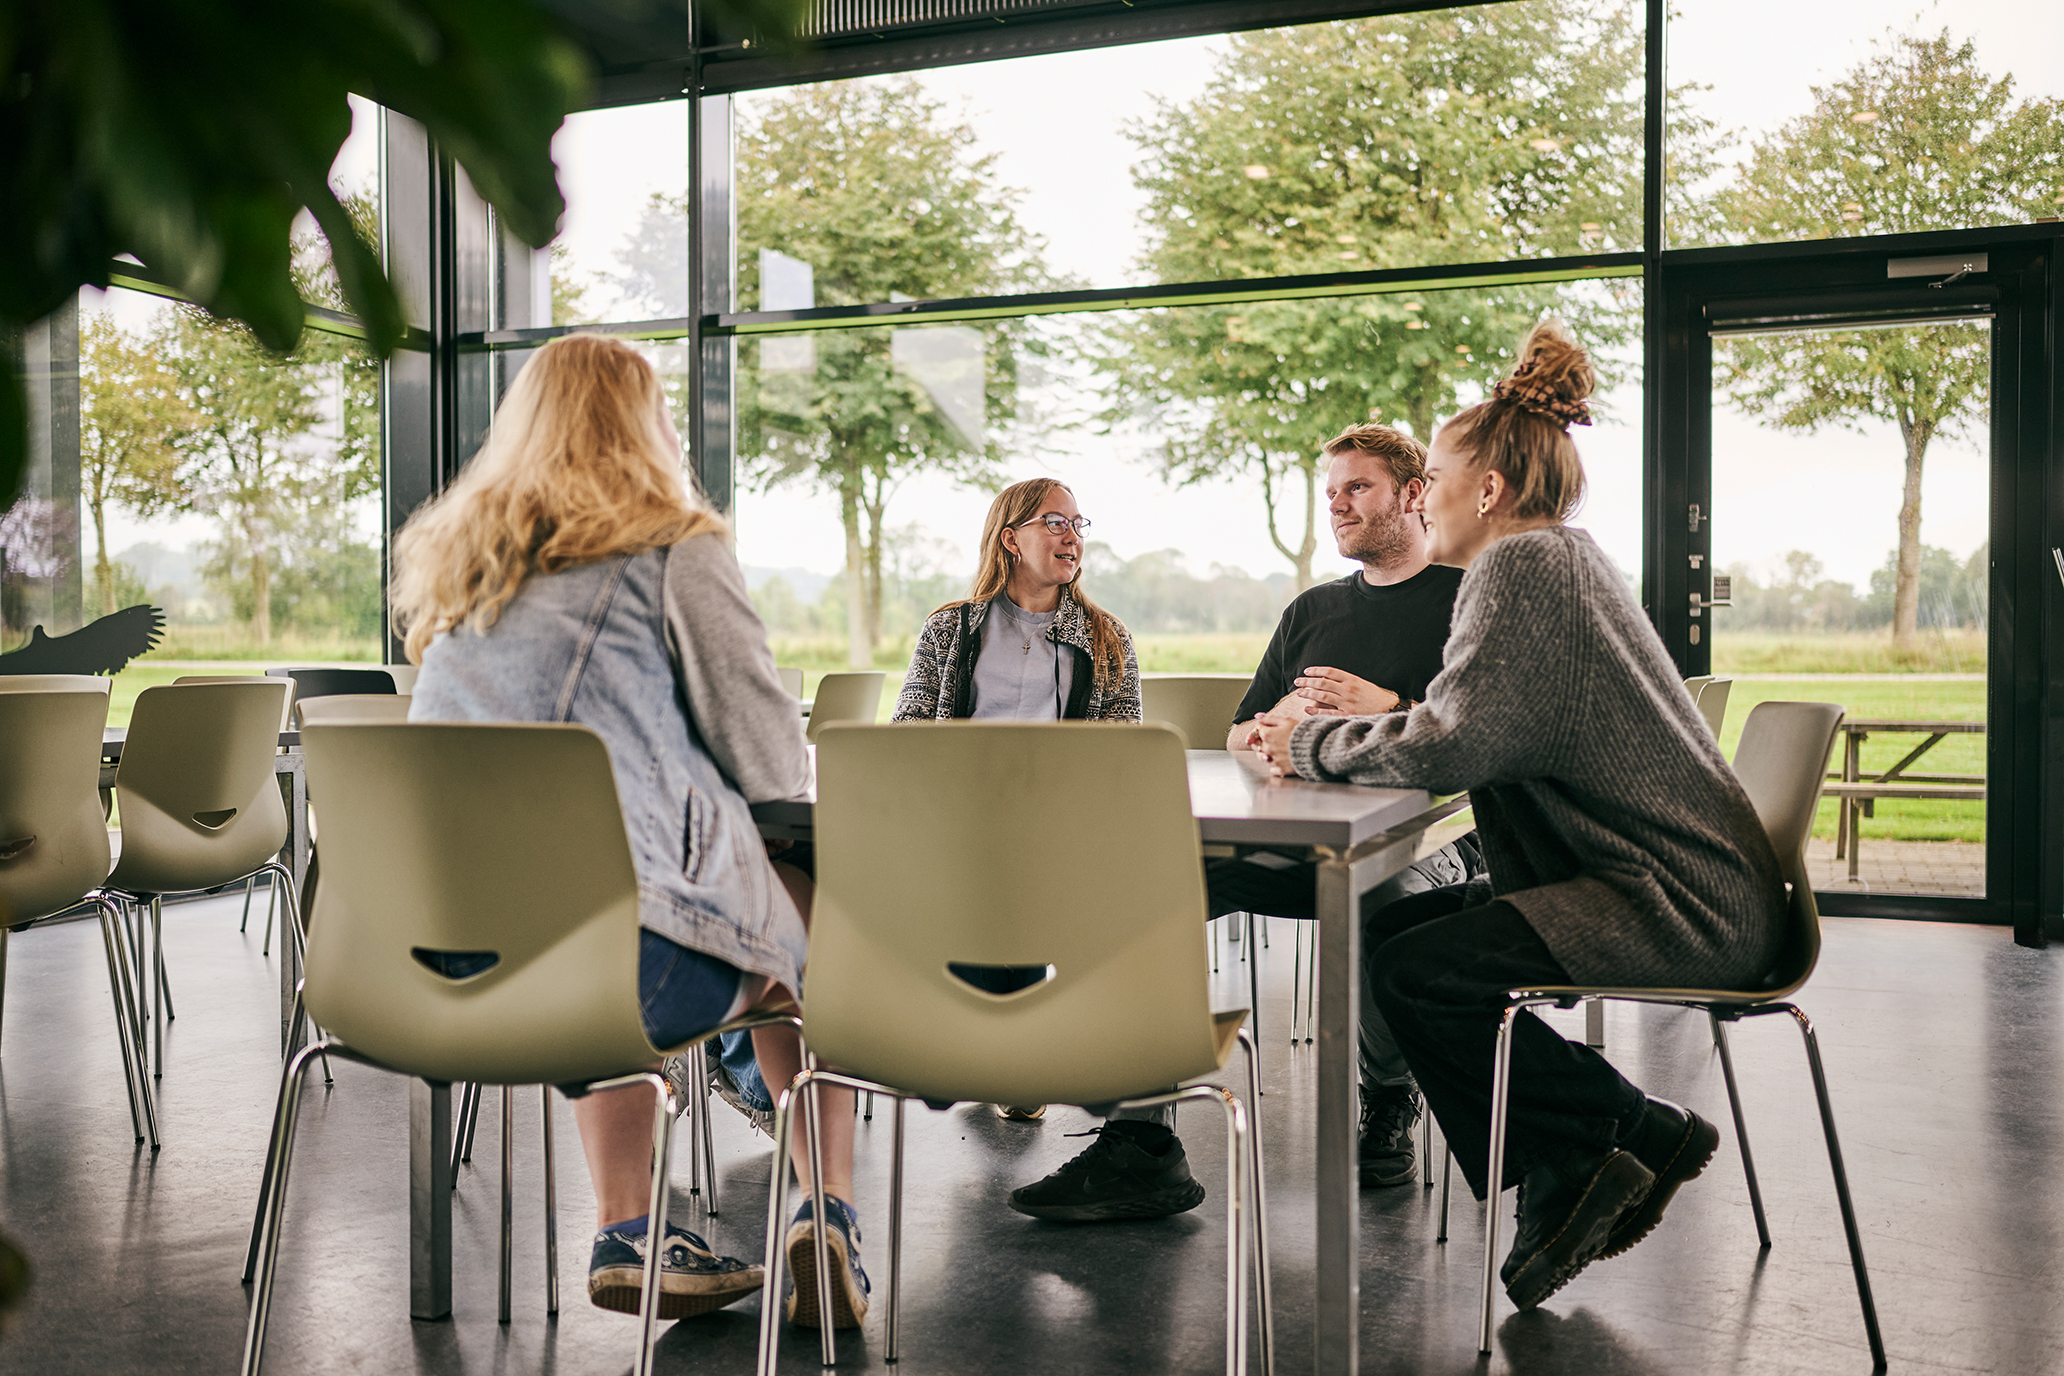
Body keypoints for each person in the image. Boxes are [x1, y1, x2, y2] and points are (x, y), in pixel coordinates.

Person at [1255, 321, 1778, 1312]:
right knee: (1402, 932)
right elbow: (1477, 726)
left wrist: (1306, 744)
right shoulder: (1555, 559)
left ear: (1485, 489)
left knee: (1417, 966)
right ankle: (1596, 1149)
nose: (1423, 495)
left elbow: (1453, 744)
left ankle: (1602, 1141)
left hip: (1674, 901)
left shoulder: (1520, 567)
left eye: (1434, 478)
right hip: (1664, 881)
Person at [391, 334, 870, 1333]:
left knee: (595, 901)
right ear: (644, 426)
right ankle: (825, 1208)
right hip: (616, 973)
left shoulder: (463, 568)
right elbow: (774, 764)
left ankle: (629, 1224)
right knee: (802, 918)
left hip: (430, 962)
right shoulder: (674, 547)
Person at [1208, 422, 1484, 1193]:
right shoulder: (1311, 610)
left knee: (1382, 893)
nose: (1338, 505)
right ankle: (1138, 1128)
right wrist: (1279, 723)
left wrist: (1388, 706)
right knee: (1167, 878)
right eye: (1330, 493)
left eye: (1357, 487)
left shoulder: (1469, 600)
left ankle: (1389, 1099)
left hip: (1432, 842)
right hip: (1301, 841)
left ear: (1413, 493)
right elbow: (1236, 733)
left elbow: (1477, 739)